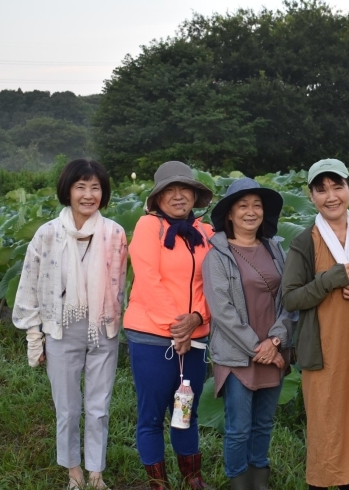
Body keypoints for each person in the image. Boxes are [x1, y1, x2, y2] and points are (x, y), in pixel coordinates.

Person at [12, 159, 127, 490]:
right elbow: (30, 284)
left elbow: (120, 286)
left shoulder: (115, 233)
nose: (88, 195)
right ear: (68, 190)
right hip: (61, 329)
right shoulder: (48, 233)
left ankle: (96, 472)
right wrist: (35, 335)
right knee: (67, 407)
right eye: (81, 187)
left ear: (103, 193)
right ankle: (73, 471)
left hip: (103, 328)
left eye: (95, 187)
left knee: (99, 405)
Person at [281, 159, 349, 490]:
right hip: (323, 351)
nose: (331, 196)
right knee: (327, 429)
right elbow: (291, 299)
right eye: (321, 189)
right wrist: (328, 280)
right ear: (311, 196)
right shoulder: (305, 241)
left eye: (338, 186)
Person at [124, 161, 214, 490]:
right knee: (151, 415)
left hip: (196, 335)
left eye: (184, 189)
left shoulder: (207, 232)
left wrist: (198, 319)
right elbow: (148, 280)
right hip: (151, 335)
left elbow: (213, 284)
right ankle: (158, 483)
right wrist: (178, 328)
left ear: (194, 194)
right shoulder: (150, 227)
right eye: (169, 191)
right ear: (158, 198)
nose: (178, 196)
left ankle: (193, 477)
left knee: (185, 409)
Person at [202, 177, 295, 490]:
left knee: (263, 424)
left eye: (257, 205)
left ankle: (260, 483)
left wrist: (277, 341)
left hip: (274, 350)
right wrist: (260, 348)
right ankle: (239, 484)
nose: (251, 212)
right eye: (243, 206)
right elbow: (223, 311)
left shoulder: (274, 249)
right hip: (238, 355)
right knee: (238, 428)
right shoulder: (217, 254)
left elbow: (287, 301)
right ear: (230, 213)